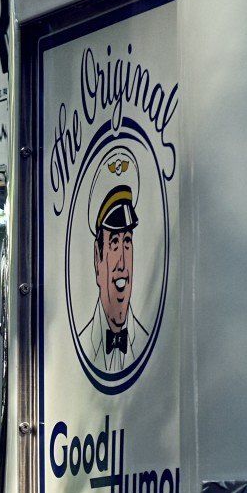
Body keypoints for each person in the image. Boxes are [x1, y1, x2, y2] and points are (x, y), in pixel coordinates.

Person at [75, 145, 148, 375]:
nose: (123, 264)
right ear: (98, 259)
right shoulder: (81, 346)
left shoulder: (144, 342)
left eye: (127, 242)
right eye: (114, 243)